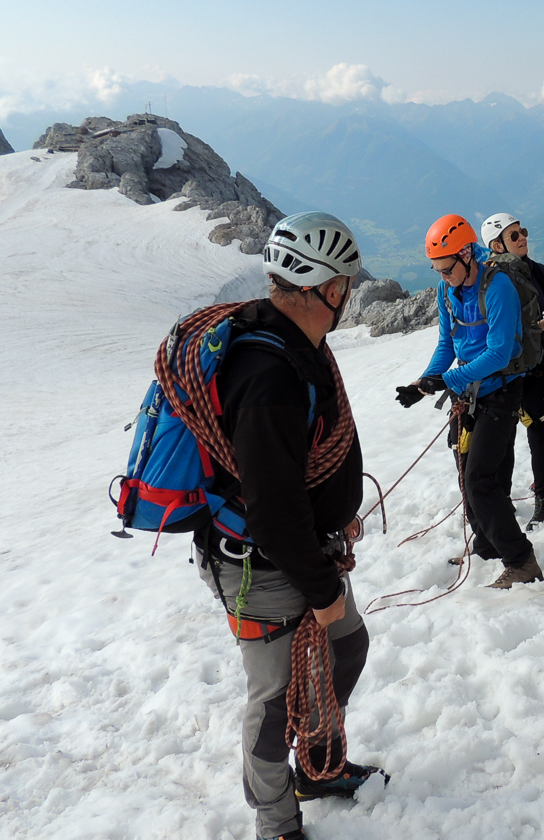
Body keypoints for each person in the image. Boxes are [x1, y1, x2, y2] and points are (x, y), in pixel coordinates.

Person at [195, 212, 385, 840]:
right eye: (345, 284)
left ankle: (318, 768)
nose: (350, 294)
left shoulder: (295, 343)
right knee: (275, 699)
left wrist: (334, 516)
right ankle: (277, 822)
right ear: (323, 288)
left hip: (301, 549)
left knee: (344, 647)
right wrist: (325, 593)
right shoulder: (269, 374)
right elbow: (272, 513)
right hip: (259, 560)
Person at [396, 214, 543, 589]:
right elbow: (447, 344)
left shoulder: (499, 287)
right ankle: (487, 545)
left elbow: (499, 351)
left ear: (465, 255)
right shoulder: (449, 290)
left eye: (446, 270)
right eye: (438, 271)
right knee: (467, 473)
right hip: (471, 393)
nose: (442, 277)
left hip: (502, 391)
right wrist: (423, 382)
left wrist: (445, 380)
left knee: (480, 479)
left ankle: (521, 559)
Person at [480, 212, 544, 528]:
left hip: (530, 369)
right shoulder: (488, 278)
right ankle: (504, 502)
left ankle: (542, 504)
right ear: (496, 244)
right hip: (509, 372)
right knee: (506, 441)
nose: (523, 239)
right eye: (515, 235)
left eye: (523, 232)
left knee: (536, 438)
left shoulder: (535, 271)